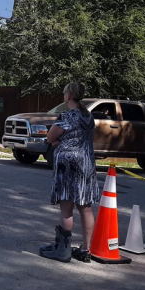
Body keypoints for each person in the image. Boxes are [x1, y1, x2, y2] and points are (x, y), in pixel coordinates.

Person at [40, 82, 100, 263]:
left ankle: (63, 249)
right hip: (87, 164)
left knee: (66, 207)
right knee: (85, 207)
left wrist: (59, 143)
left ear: (68, 96)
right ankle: (85, 249)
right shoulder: (88, 116)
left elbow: (50, 137)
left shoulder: (66, 116)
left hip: (69, 165)